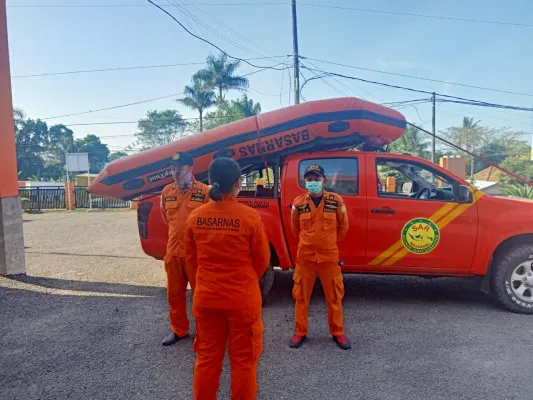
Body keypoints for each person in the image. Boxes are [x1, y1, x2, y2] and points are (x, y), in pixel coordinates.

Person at [185, 157, 270, 400]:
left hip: (207, 299)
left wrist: (203, 285)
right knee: (244, 362)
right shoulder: (249, 217)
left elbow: (190, 262)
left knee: (207, 360)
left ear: (210, 182)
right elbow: (262, 260)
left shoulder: (196, 217)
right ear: (238, 183)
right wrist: (244, 280)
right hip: (242, 300)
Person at [289, 163, 351, 350]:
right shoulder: (298, 203)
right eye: (309, 179)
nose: (313, 182)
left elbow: (343, 227)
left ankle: (337, 332)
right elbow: (295, 229)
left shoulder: (336, 201)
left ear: (324, 180)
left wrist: (327, 242)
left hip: (329, 257)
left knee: (334, 295)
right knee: (301, 296)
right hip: (305, 257)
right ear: (304, 181)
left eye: (317, 179)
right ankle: (300, 332)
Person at [160, 151, 209, 346]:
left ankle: (204, 333)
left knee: (200, 296)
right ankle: (178, 330)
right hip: (173, 254)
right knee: (174, 295)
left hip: (196, 256)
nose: (175, 172)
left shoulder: (204, 192)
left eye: (179, 168)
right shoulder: (167, 192)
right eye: (172, 169)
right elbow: (166, 219)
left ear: (190, 169)